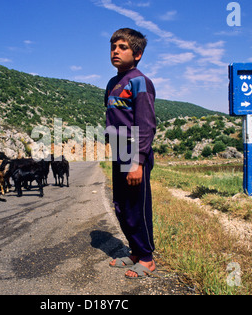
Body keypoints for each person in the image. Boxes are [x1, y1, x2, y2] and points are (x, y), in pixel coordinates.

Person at [105, 28, 157, 279]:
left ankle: (147, 259)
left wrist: (138, 161)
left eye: (122, 47)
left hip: (134, 153)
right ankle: (135, 251)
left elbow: (146, 125)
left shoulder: (140, 81)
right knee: (121, 206)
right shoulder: (112, 83)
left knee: (137, 207)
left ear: (137, 54)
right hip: (118, 152)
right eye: (113, 46)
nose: (115, 50)